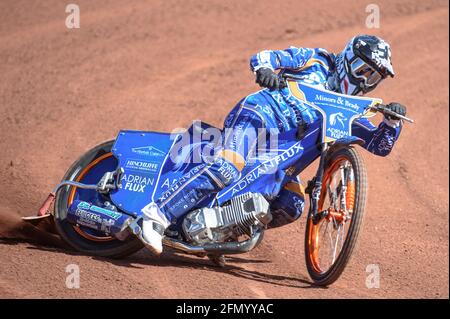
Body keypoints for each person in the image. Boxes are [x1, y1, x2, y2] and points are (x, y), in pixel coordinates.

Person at [140, 34, 407, 255]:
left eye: (374, 78)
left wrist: (392, 122)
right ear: (349, 59)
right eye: (364, 70)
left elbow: (379, 145)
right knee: (227, 168)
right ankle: (156, 216)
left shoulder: (350, 111)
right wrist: (264, 71)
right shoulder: (317, 60)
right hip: (257, 115)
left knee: (292, 205)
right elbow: (266, 57)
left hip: (278, 156)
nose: (365, 81)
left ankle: (217, 234)